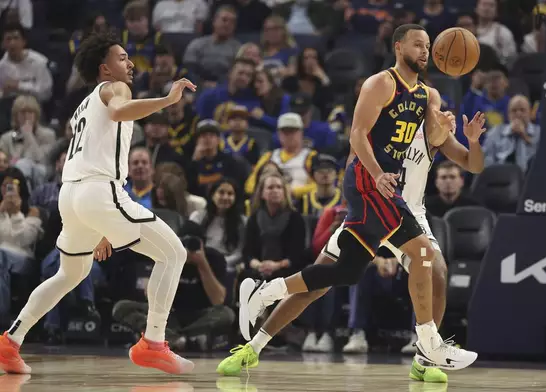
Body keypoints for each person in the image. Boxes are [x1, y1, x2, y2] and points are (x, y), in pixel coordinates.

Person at [221, 24, 486, 380]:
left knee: (425, 270)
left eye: (428, 47)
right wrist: (370, 175)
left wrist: (465, 137)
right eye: (418, 45)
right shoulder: (386, 94)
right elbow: (358, 138)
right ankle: (253, 347)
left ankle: (425, 357)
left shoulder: (429, 109)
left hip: (407, 209)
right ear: (398, 47)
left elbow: (468, 159)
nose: (438, 114)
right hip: (373, 198)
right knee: (326, 282)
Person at [0, 32, 197, 375]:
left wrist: (104, 225)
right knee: (174, 253)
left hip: (73, 195)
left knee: (70, 273)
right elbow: (121, 113)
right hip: (97, 192)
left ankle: (10, 341)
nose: (131, 63)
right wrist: (167, 100)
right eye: (122, 58)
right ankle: (153, 342)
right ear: (105, 69)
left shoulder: (84, 104)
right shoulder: (116, 89)